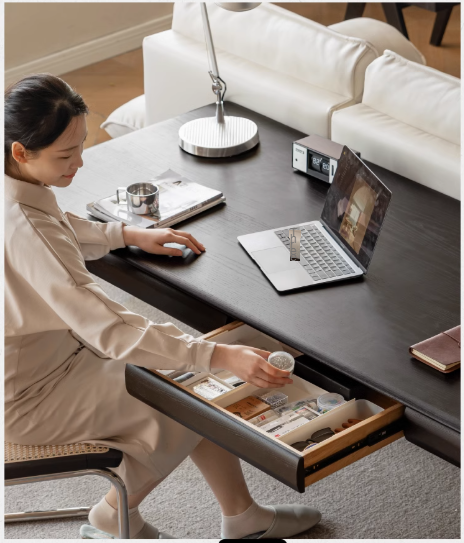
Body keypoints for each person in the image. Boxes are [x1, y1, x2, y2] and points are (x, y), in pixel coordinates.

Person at [4, 74, 322, 539]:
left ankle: (242, 516)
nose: (80, 163)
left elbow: (54, 226)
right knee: (186, 397)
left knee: (186, 377)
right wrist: (216, 354)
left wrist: (124, 234)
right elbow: (107, 327)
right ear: (20, 152)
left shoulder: (13, 191)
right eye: (66, 155)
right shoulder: (25, 226)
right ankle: (113, 517)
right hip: (34, 396)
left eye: (81, 146)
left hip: (41, 363)